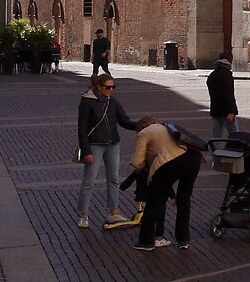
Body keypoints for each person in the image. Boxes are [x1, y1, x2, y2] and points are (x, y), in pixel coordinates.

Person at [75, 74, 141, 229]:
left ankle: (113, 212)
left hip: (112, 144)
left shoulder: (113, 102)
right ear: (99, 87)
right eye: (108, 87)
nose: (111, 90)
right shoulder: (87, 103)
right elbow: (82, 129)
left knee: (114, 179)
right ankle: (83, 215)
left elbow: (124, 121)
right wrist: (86, 151)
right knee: (89, 181)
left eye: (113, 87)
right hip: (94, 145)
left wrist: (142, 125)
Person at [129, 120, 204, 250]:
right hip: (194, 157)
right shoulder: (166, 127)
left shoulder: (144, 133)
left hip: (173, 161)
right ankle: (183, 239)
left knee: (154, 199)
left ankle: (146, 241)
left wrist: (146, 165)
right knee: (184, 199)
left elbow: (136, 162)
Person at [207, 54, 239, 138]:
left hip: (215, 109)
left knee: (216, 134)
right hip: (226, 110)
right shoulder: (227, 75)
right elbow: (229, 94)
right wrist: (232, 111)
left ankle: (214, 150)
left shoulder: (212, 75)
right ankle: (236, 149)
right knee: (234, 133)